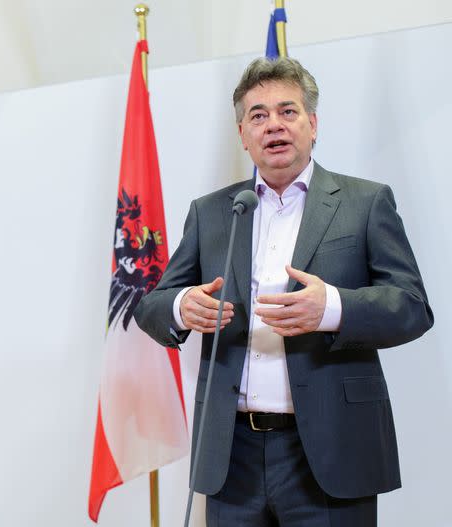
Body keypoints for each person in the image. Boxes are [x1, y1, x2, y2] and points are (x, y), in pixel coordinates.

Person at [134, 57, 433, 526]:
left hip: (329, 451)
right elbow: (149, 304)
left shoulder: (365, 202)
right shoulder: (214, 212)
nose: (273, 125)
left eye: (288, 111)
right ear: (242, 135)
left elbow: (412, 306)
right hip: (232, 457)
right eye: (258, 115)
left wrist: (331, 307)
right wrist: (180, 305)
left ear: (312, 125)